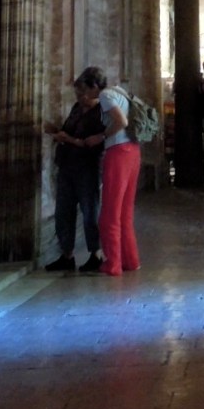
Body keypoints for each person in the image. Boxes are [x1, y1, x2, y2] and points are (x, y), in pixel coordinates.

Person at [42, 67, 106, 273]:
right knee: (64, 211)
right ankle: (66, 255)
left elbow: (94, 142)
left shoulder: (102, 112)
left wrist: (69, 139)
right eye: (78, 93)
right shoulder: (77, 108)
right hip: (67, 165)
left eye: (83, 92)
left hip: (87, 167)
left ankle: (95, 254)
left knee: (90, 211)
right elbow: (68, 130)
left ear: (95, 89)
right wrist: (56, 131)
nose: (80, 97)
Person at [98, 78, 140, 276]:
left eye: (83, 91)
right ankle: (130, 260)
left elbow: (122, 121)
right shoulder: (120, 91)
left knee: (110, 212)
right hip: (133, 150)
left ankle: (113, 263)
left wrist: (103, 136)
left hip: (118, 152)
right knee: (125, 211)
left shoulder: (104, 95)